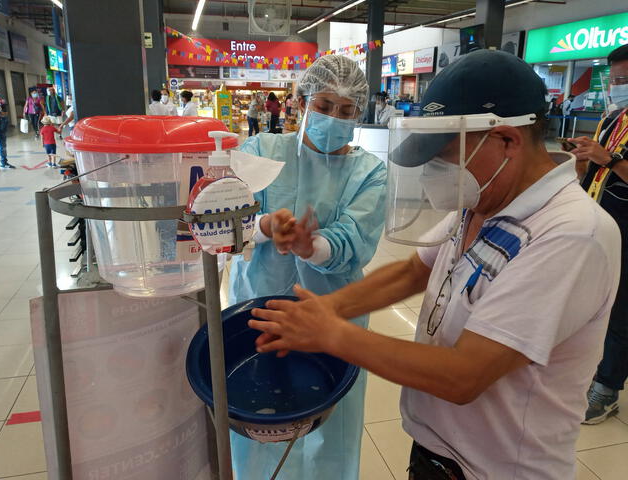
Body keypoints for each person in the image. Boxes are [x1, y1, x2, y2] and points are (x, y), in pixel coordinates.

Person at [248, 50, 621, 480]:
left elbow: (464, 375)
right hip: (439, 454)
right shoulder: (485, 199)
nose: (437, 172)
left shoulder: (570, 234)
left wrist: (330, 333)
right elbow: (412, 271)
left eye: (445, 154)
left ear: (507, 141)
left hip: (495, 469)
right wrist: (325, 309)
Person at [228, 55, 387, 480]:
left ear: (359, 115)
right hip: (258, 310)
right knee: (260, 423)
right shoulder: (261, 151)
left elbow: (356, 238)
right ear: (300, 103)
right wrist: (265, 225)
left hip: (335, 315)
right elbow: (226, 218)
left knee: (333, 426)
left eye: (346, 110)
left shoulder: (369, 171)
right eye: (324, 105)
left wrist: (310, 245)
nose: (334, 117)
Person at [568, 44, 628, 425]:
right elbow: (590, 175)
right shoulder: (613, 119)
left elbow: (613, 165)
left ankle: (607, 388)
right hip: (597, 224)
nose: (618, 87)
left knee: (621, 309)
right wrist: (579, 161)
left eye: (626, 80)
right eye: (616, 80)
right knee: (595, 302)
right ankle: (594, 367)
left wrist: (611, 159)